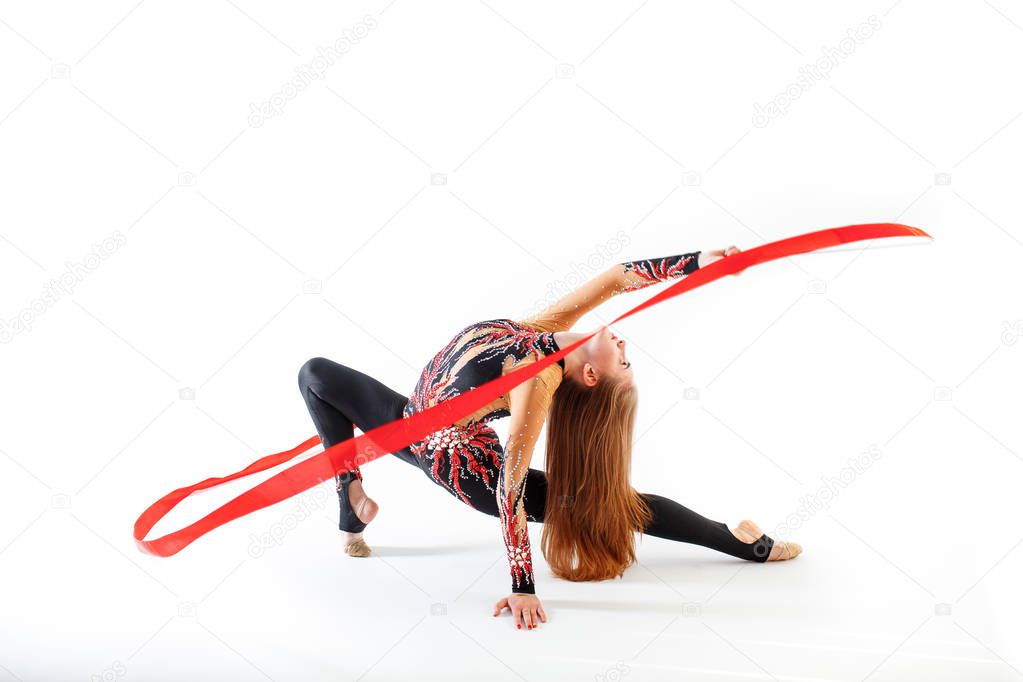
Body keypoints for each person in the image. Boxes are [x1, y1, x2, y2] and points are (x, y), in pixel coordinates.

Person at [297, 244, 802, 631]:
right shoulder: (544, 330)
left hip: (465, 468)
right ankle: (350, 504)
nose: (624, 345)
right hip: (411, 418)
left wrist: (522, 586)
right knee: (314, 373)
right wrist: (699, 262)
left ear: (589, 377)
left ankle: (740, 544)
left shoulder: (537, 381)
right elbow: (618, 277)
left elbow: (509, 488)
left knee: (610, 503)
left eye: (622, 362)